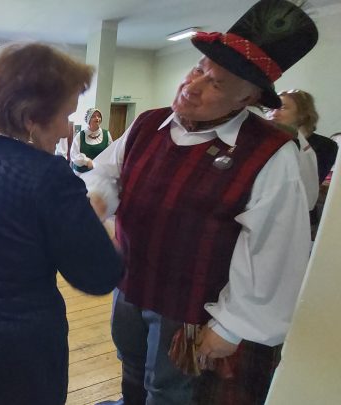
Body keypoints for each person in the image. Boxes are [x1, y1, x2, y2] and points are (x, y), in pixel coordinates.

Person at [84, 1, 317, 404]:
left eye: (217, 84)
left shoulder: (271, 153)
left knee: (168, 389)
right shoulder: (147, 124)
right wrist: (97, 200)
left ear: (246, 99)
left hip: (191, 307)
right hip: (131, 283)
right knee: (131, 366)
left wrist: (230, 326)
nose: (192, 86)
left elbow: (272, 250)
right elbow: (108, 173)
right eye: (199, 70)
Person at [0, 42, 123, 405]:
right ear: (31, 118)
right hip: (12, 351)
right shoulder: (47, 176)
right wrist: (94, 213)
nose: (67, 130)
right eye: (65, 116)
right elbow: (100, 273)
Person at [270, 90, 338, 186]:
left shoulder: (326, 146)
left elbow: (307, 184)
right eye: (271, 109)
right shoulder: (267, 141)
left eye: (282, 108)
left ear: (303, 113)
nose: (273, 114)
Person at [70, 107, 113, 173]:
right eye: (93, 116)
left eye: (99, 116)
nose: (97, 118)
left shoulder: (106, 134)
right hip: (81, 174)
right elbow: (74, 154)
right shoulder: (80, 135)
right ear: (88, 119)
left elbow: (111, 153)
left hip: (99, 173)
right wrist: (86, 161)